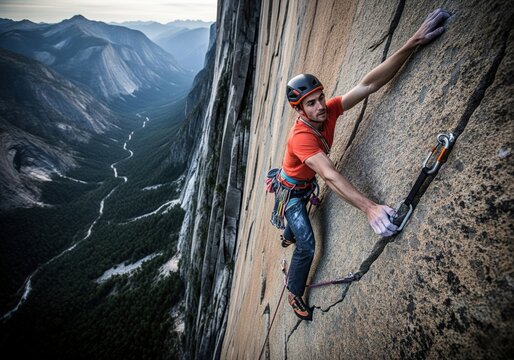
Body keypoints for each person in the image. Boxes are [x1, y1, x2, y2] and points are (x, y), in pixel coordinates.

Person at [270, 8, 451, 321]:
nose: (319, 107)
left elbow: (369, 84)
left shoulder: (328, 110)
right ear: (299, 110)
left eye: (319, 98)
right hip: (293, 193)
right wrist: (370, 208)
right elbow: (330, 176)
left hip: (300, 183)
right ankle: (294, 293)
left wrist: (413, 42)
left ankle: (288, 234)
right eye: (310, 104)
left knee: (295, 225)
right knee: (307, 244)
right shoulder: (300, 137)